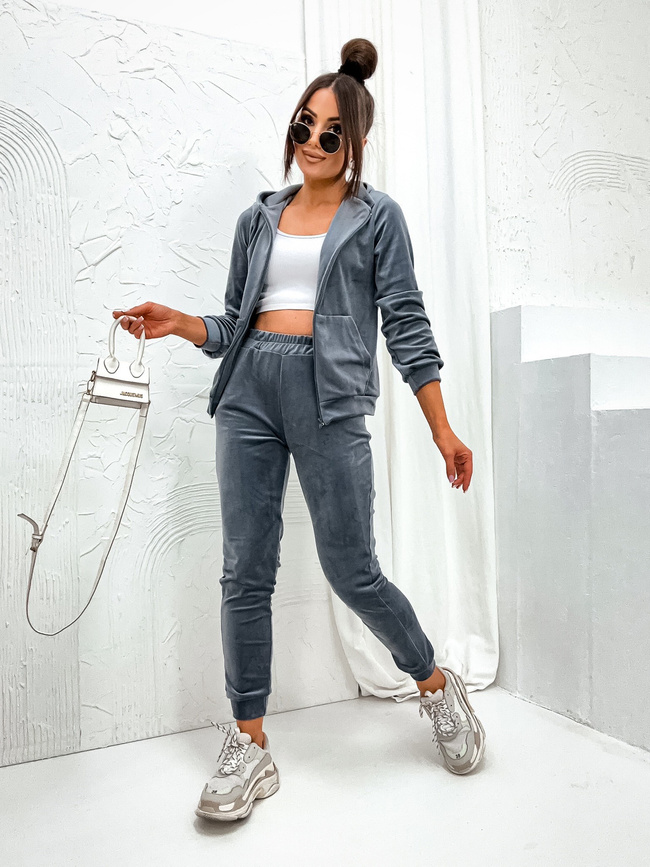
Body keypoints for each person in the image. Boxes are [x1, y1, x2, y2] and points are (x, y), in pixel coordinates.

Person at [113, 38, 485, 822]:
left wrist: (442, 428)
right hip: (249, 390)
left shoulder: (376, 218)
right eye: (303, 125)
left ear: (357, 142)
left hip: (330, 396)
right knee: (245, 568)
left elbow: (407, 326)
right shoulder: (259, 218)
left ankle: (434, 683)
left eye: (330, 132)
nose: (312, 141)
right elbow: (235, 322)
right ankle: (250, 743)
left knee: (352, 570)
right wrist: (182, 323)